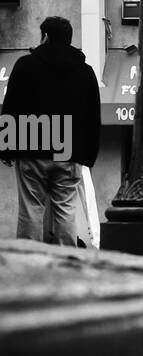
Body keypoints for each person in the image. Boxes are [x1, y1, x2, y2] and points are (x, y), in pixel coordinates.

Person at [0, 16, 101, 246]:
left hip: (32, 142)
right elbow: (93, 116)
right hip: (68, 149)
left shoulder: (25, 65)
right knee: (66, 208)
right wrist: (88, 154)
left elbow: (12, 105)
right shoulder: (85, 71)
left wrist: (6, 148)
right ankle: (67, 260)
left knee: (31, 208)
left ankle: (30, 260)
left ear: (45, 36)